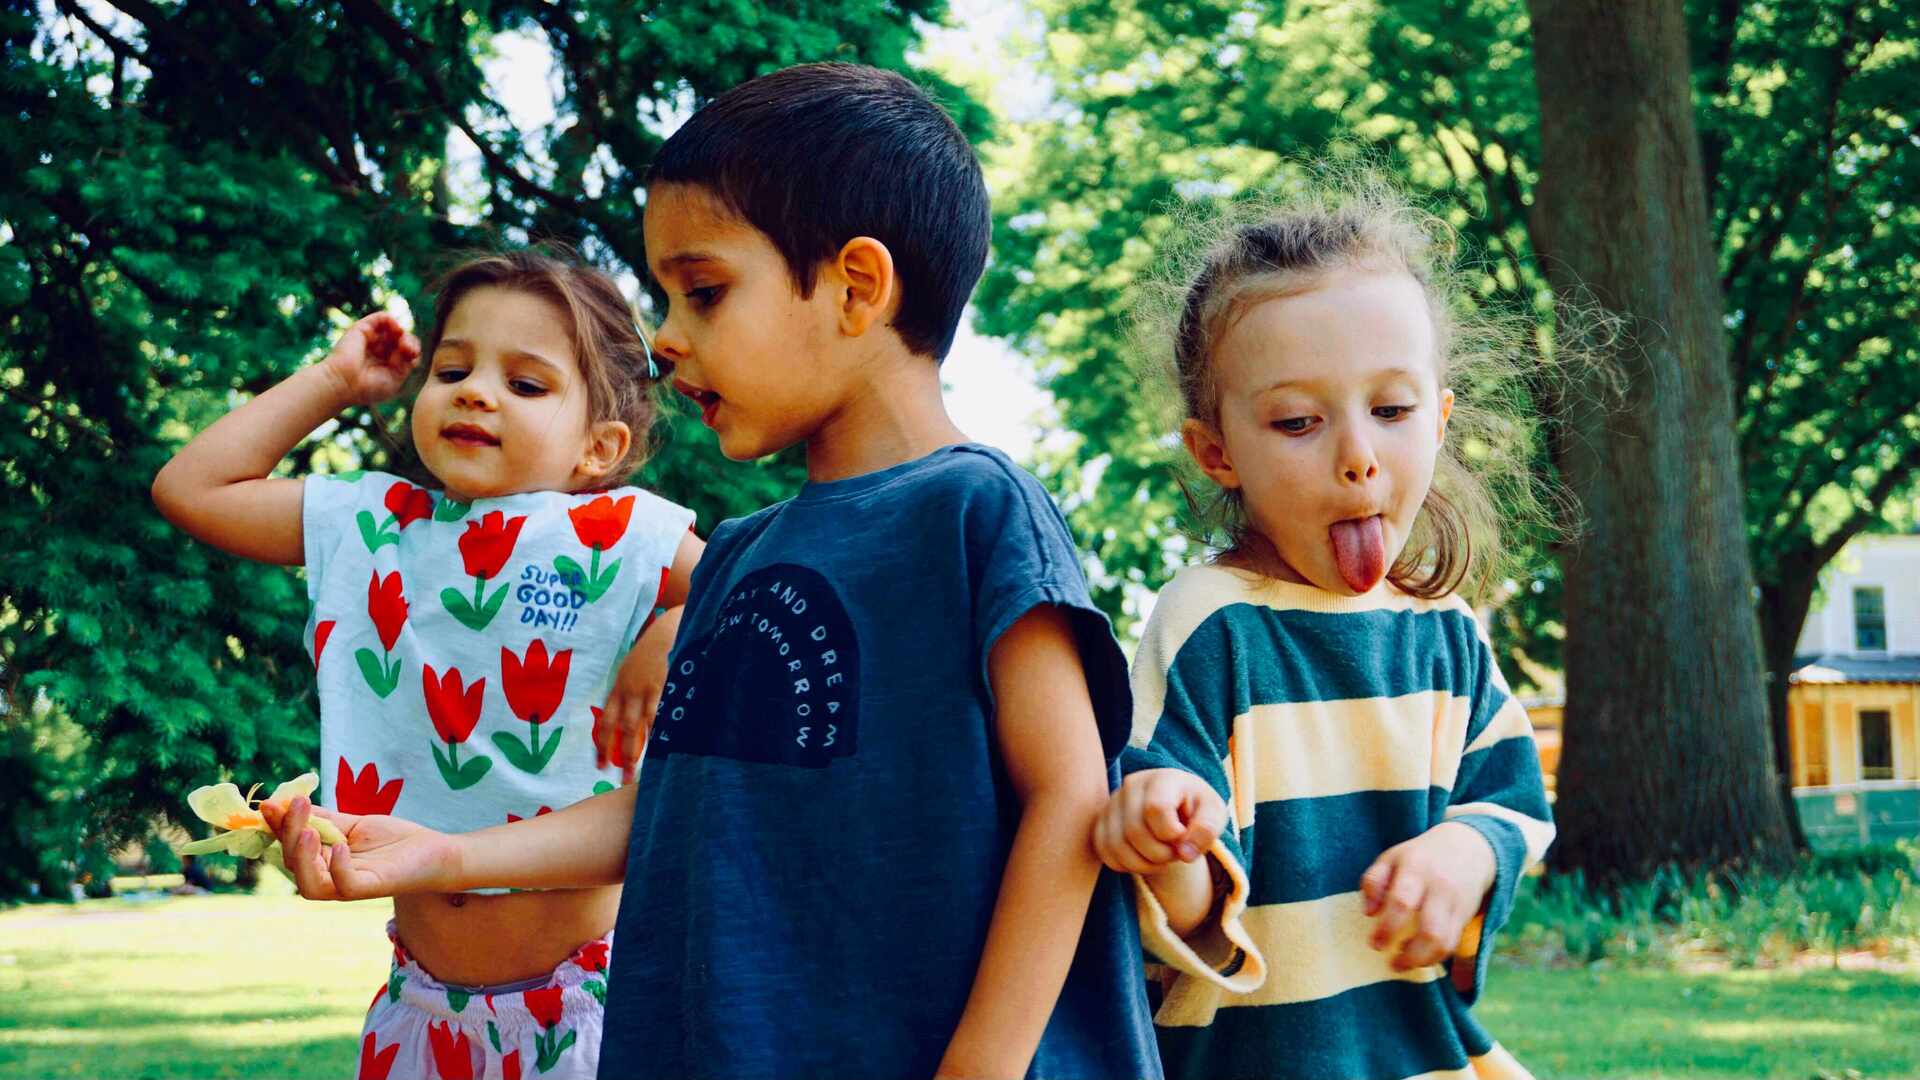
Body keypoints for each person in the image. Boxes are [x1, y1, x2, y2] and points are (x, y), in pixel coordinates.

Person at [261, 63, 1163, 1080]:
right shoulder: (735, 555)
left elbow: (1071, 799)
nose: (665, 337)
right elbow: (675, 809)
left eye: (702, 290)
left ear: (857, 288)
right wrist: (444, 852)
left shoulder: (975, 512)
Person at [152, 248, 702, 1079]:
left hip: (590, 1009)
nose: (477, 390)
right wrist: (336, 381)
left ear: (599, 446)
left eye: (526, 384)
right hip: (419, 1006)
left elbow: (754, 590)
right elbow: (192, 488)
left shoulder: (623, 535)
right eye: (453, 368)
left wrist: (671, 629)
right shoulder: (373, 523)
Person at [1091, 178, 1557, 1080]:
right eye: (1299, 421)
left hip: (1419, 1052)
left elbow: (1513, 809)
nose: (1358, 455)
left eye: (1392, 410)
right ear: (1217, 450)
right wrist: (1168, 840)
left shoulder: (1444, 634)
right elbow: (1184, 913)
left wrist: (1463, 855)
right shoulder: (1211, 624)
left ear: (1441, 417)